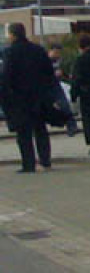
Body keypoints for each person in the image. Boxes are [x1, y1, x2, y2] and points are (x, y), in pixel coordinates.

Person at [0, 22, 56, 172]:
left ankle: (28, 163)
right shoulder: (38, 50)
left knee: (23, 133)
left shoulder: (10, 52)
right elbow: (49, 73)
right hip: (39, 97)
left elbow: (6, 77)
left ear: (13, 35)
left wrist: (6, 97)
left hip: (19, 99)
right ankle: (45, 160)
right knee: (40, 129)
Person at [48, 43, 79, 137]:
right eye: (56, 52)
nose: (58, 55)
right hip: (48, 87)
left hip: (57, 86)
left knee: (64, 105)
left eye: (59, 53)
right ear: (51, 51)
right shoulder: (46, 60)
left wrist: (66, 76)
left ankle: (72, 126)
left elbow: (61, 73)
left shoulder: (58, 61)